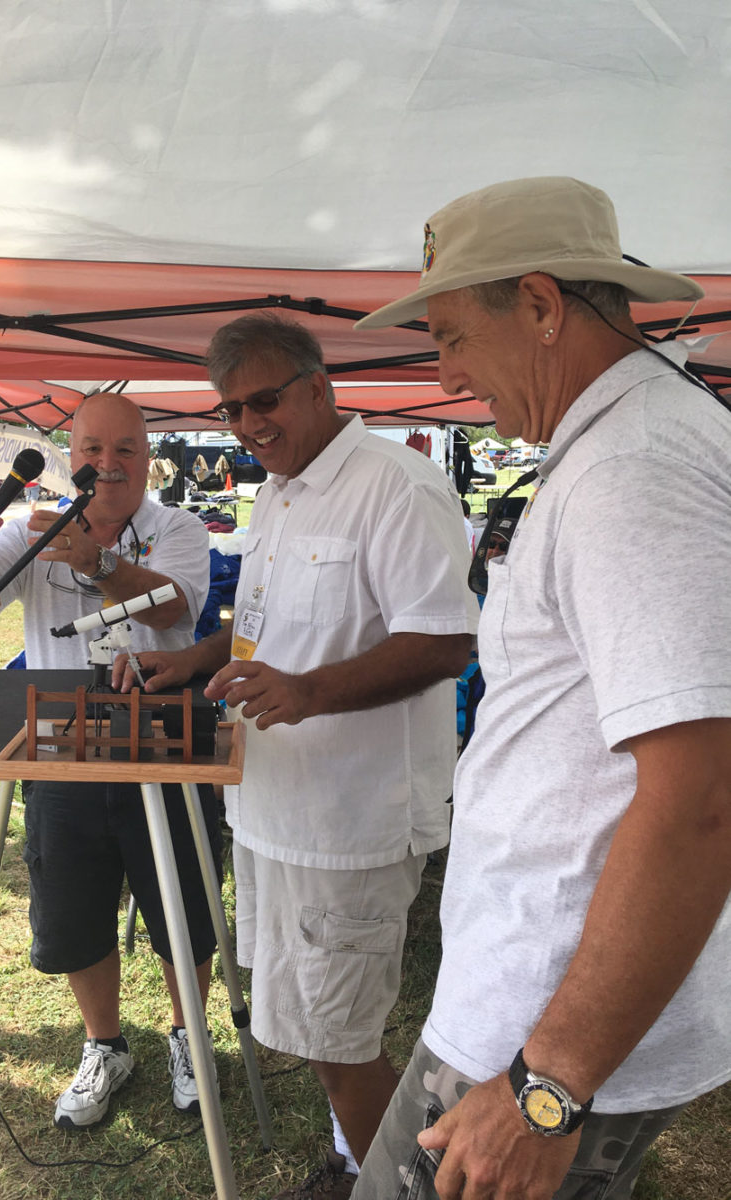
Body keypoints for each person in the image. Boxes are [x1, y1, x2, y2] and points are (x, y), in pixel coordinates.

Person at [348, 175, 731, 1199]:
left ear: (540, 305)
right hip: (540, 1011)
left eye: (450, 337)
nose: (446, 374)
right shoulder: (631, 441)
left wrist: (547, 1088)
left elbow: (701, 796)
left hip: (541, 1034)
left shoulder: (632, 469)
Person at [117, 314, 478, 1198]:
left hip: (350, 823)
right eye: (231, 408)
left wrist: (312, 691)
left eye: (265, 400)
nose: (247, 424)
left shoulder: (397, 486)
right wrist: (197, 659)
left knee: (340, 1039)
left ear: (321, 387)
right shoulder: (277, 490)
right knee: (315, 1025)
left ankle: (405, 1186)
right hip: (273, 808)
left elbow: (443, 643)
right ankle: (360, 1163)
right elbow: (258, 625)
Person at [0, 392, 223, 1127]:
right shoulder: (34, 529)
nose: (107, 464)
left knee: (181, 902)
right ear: (71, 455)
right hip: (61, 749)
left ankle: (189, 1034)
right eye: (92, 449)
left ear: (147, 458)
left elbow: (171, 607)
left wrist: (99, 565)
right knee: (72, 909)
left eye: (125, 449)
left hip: (160, 749)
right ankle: (105, 1046)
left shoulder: (176, 527)